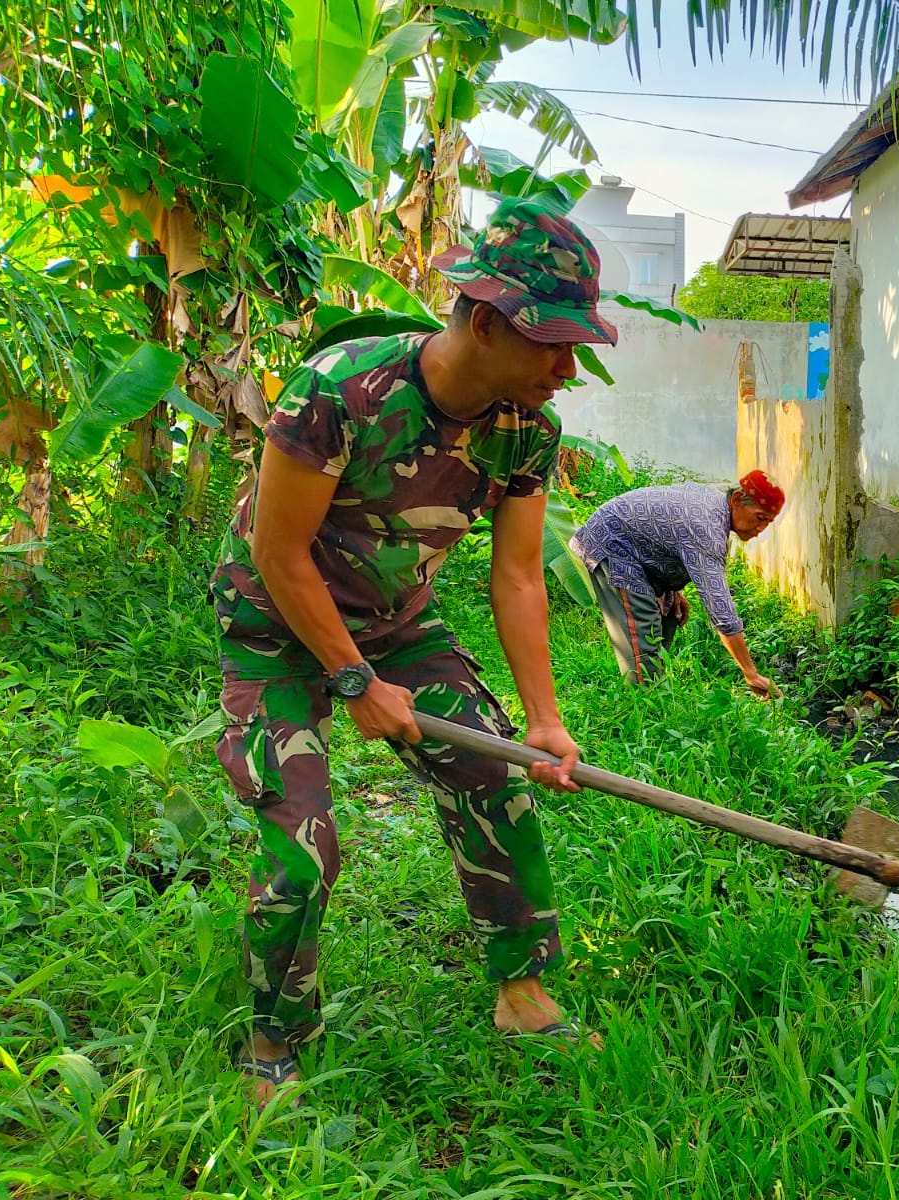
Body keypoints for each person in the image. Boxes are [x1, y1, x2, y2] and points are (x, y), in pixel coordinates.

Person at [210, 198, 616, 1104]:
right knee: (301, 847)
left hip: (398, 623)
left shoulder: (525, 430)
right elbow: (278, 555)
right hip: (273, 624)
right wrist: (352, 680)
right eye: (552, 342)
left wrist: (546, 721)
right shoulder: (339, 391)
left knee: (494, 779)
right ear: (483, 321)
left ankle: (521, 994)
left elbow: (516, 579)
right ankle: (275, 1038)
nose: (567, 367)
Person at [571, 472, 785, 695]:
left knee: (669, 614)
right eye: (760, 518)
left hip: (638, 547)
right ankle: (644, 703)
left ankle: (656, 689)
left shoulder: (716, 505)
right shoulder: (707, 528)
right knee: (642, 637)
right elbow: (721, 613)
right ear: (737, 500)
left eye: (768, 523)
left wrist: (675, 590)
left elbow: (671, 536)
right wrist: (750, 673)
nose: (761, 530)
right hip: (613, 544)